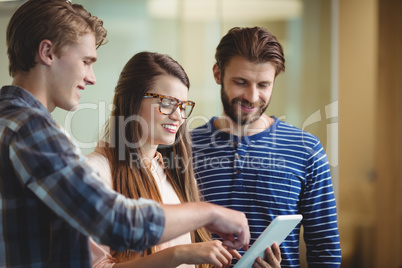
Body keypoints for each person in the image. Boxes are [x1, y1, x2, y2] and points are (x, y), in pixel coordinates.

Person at [0, 1, 251, 267]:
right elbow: (116, 221)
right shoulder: (31, 128)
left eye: (183, 106)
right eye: (86, 61)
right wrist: (207, 213)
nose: (92, 77)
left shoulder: (15, 121)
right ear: (47, 52)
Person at [87, 51, 279, 268]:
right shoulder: (94, 172)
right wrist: (177, 254)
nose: (179, 116)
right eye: (168, 102)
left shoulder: (170, 173)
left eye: (183, 106)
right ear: (131, 99)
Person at [191, 26, 342, 267]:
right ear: (218, 74)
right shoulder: (185, 147)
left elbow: (325, 249)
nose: (252, 96)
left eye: (263, 85)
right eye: (241, 82)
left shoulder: (306, 149)